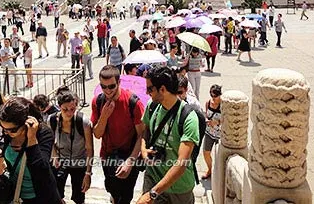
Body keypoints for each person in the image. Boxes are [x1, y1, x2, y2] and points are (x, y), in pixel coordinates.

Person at [0, 97, 61, 203]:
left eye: (12, 130)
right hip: (14, 194)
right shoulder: (8, 135)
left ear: (26, 123)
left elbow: (41, 169)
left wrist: (32, 139)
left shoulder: (43, 134)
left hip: (41, 196)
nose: (6, 133)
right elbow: (3, 145)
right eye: (4, 129)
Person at [138, 65, 199, 204]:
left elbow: (181, 163)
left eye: (150, 89)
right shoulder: (152, 106)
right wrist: (143, 149)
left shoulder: (188, 117)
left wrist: (152, 194)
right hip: (153, 177)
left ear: (163, 89)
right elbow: (144, 131)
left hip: (179, 187)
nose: (147, 93)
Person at [91, 65, 144, 204]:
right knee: (112, 190)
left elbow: (142, 135)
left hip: (128, 155)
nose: (107, 90)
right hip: (107, 156)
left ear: (119, 82)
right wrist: (104, 116)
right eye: (103, 86)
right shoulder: (98, 101)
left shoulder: (133, 103)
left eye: (111, 86)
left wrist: (130, 161)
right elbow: (97, 134)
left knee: (126, 197)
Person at [49, 89, 94, 204]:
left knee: (79, 197)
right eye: (65, 109)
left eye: (72, 109)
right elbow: (50, 141)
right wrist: (54, 156)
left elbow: (89, 148)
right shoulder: (52, 120)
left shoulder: (83, 122)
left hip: (79, 162)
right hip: (61, 161)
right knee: (55, 194)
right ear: (59, 107)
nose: (69, 113)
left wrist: (88, 173)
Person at [202, 84, 222, 180]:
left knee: (219, 155)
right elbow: (206, 114)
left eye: (215, 96)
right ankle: (210, 169)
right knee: (206, 152)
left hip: (220, 134)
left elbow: (228, 119)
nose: (213, 98)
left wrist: (217, 122)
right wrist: (206, 120)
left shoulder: (223, 105)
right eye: (211, 95)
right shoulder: (208, 103)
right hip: (209, 132)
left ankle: (219, 172)